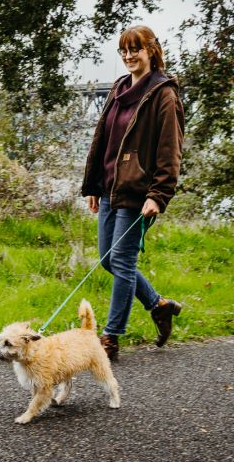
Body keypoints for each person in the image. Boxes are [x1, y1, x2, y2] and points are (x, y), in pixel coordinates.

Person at [81, 25, 184, 360]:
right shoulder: (119, 87)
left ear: (151, 50)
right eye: (123, 50)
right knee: (108, 259)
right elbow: (103, 139)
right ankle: (158, 305)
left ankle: (110, 338)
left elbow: (170, 151)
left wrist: (159, 194)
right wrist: (94, 184)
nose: (128, 56)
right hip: (110, 187)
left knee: (123, 261)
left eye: (135, 49)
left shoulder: (163, 94)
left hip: (139, 191)